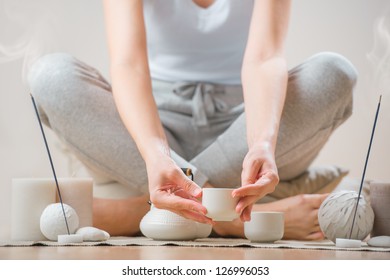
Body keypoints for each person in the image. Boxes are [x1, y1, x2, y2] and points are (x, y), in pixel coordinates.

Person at [28, 0, 357, 240]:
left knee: (334, 72)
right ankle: (229, 220)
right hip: (152, 126)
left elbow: (264, 58)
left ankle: (144, 211)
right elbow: (129, 65)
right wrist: (157, 155)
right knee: (50, 76)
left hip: (241, 126)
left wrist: (261, 142)